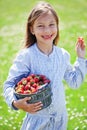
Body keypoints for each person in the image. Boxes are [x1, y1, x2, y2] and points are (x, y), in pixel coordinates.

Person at [4, 1, 87, 130]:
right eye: (40, 26)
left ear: (57, 26)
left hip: (60, 121)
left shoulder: (62, 55)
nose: (47, 30)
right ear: (32, 29)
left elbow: (74, 82)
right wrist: (16, 103)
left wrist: (81, 58)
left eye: (51, 24)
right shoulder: (27, 56)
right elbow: (9, 85)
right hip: (37, 122)